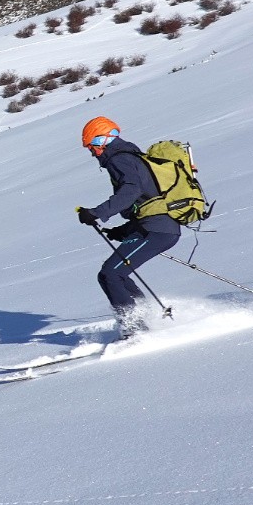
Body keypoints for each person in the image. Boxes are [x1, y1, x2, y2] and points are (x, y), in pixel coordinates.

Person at [75, 116, 180, 339]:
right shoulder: (129, 157)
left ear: (103, 141)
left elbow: (131, 192)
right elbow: (145, 199)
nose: (92, 153)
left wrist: (97, 212)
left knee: (110, 274)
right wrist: (123, 230)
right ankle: (144, 320)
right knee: (115, 274)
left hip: (157, 229)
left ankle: (135, 330)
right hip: (154, 227)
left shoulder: (119, 159)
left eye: (92, 146)